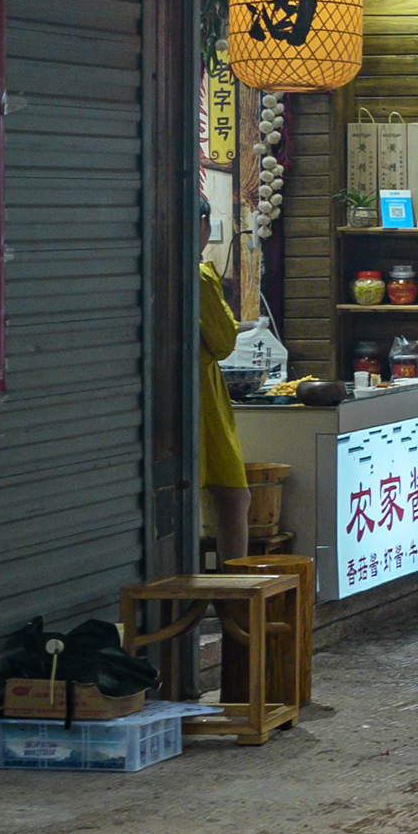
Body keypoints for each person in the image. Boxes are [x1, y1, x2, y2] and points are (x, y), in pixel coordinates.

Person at [194, 200, 250, 567]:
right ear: (201, 224)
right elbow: (225, 340)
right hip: (200, 392)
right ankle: (233, 598)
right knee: (233, 497)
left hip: (192, 388)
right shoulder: (198, 274)